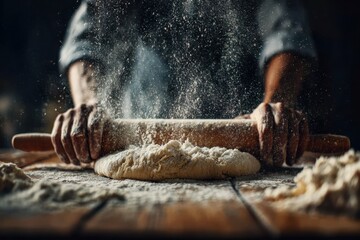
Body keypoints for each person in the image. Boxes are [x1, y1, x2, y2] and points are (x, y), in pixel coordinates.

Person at [52, 0, 317, 167]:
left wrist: (274, 105)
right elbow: (87, 37)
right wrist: (88, 105)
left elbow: (286, 31)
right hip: (137, 123)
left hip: (245, 127)